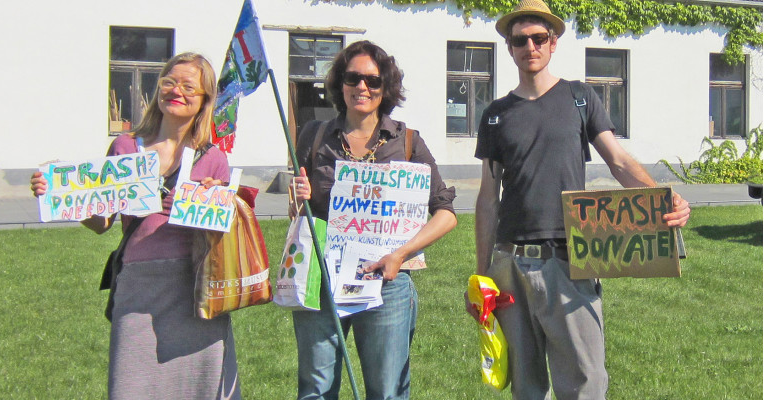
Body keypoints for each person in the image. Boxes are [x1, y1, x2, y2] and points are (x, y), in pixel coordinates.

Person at [469, 1, 692, 399]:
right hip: (510, 266)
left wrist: (665, 200)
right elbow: (488, 199)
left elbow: (619, 161)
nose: (530, 46)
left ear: (553, 43)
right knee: (525, 384)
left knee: (584, 383)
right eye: (520, 40)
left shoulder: (579, 97)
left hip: (569, 258)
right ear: (510, 48)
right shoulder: (495, 114)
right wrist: (482, 275)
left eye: (539, 38)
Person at [30, 52, 241, 400]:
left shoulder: (213, 158)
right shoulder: (126, 147)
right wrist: (58, 193)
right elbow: (101, 223)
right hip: (139, 285)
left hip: (196, 288)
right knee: (132, 387)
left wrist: (204, 207)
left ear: (204, 100)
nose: (176, 91)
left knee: (197, 388)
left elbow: (225, 231)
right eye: (169, 82)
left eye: (189, 86)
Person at [291, 40, 458, 400]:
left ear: (387, 88)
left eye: (373, 80)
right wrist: (298, 198)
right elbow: (300, 213)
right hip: (322, 278)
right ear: (340, 84)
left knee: (386, 391)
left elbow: (445, 213)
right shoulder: (314, 135)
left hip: (387, 282)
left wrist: (402, 253)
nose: (362, 87)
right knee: (316, 390)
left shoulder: (407, 141)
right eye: (352, 78)